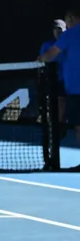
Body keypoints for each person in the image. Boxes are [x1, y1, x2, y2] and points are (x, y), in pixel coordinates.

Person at [40, 9, 79, 163]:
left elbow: (50, 55)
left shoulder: (69, 35)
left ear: (71, 19)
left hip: (77, 90)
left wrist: (41, 58)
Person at [39, 18, 69, 127]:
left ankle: (60, 123)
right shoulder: (47, 45)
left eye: (60, 29)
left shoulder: (70, 43)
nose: (57, 31)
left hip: (68, 80)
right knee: (53, 102)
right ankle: (54, 124)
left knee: (62, 101)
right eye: (55, 29)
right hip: (51, 79)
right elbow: (41, 61)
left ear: (65, 30)